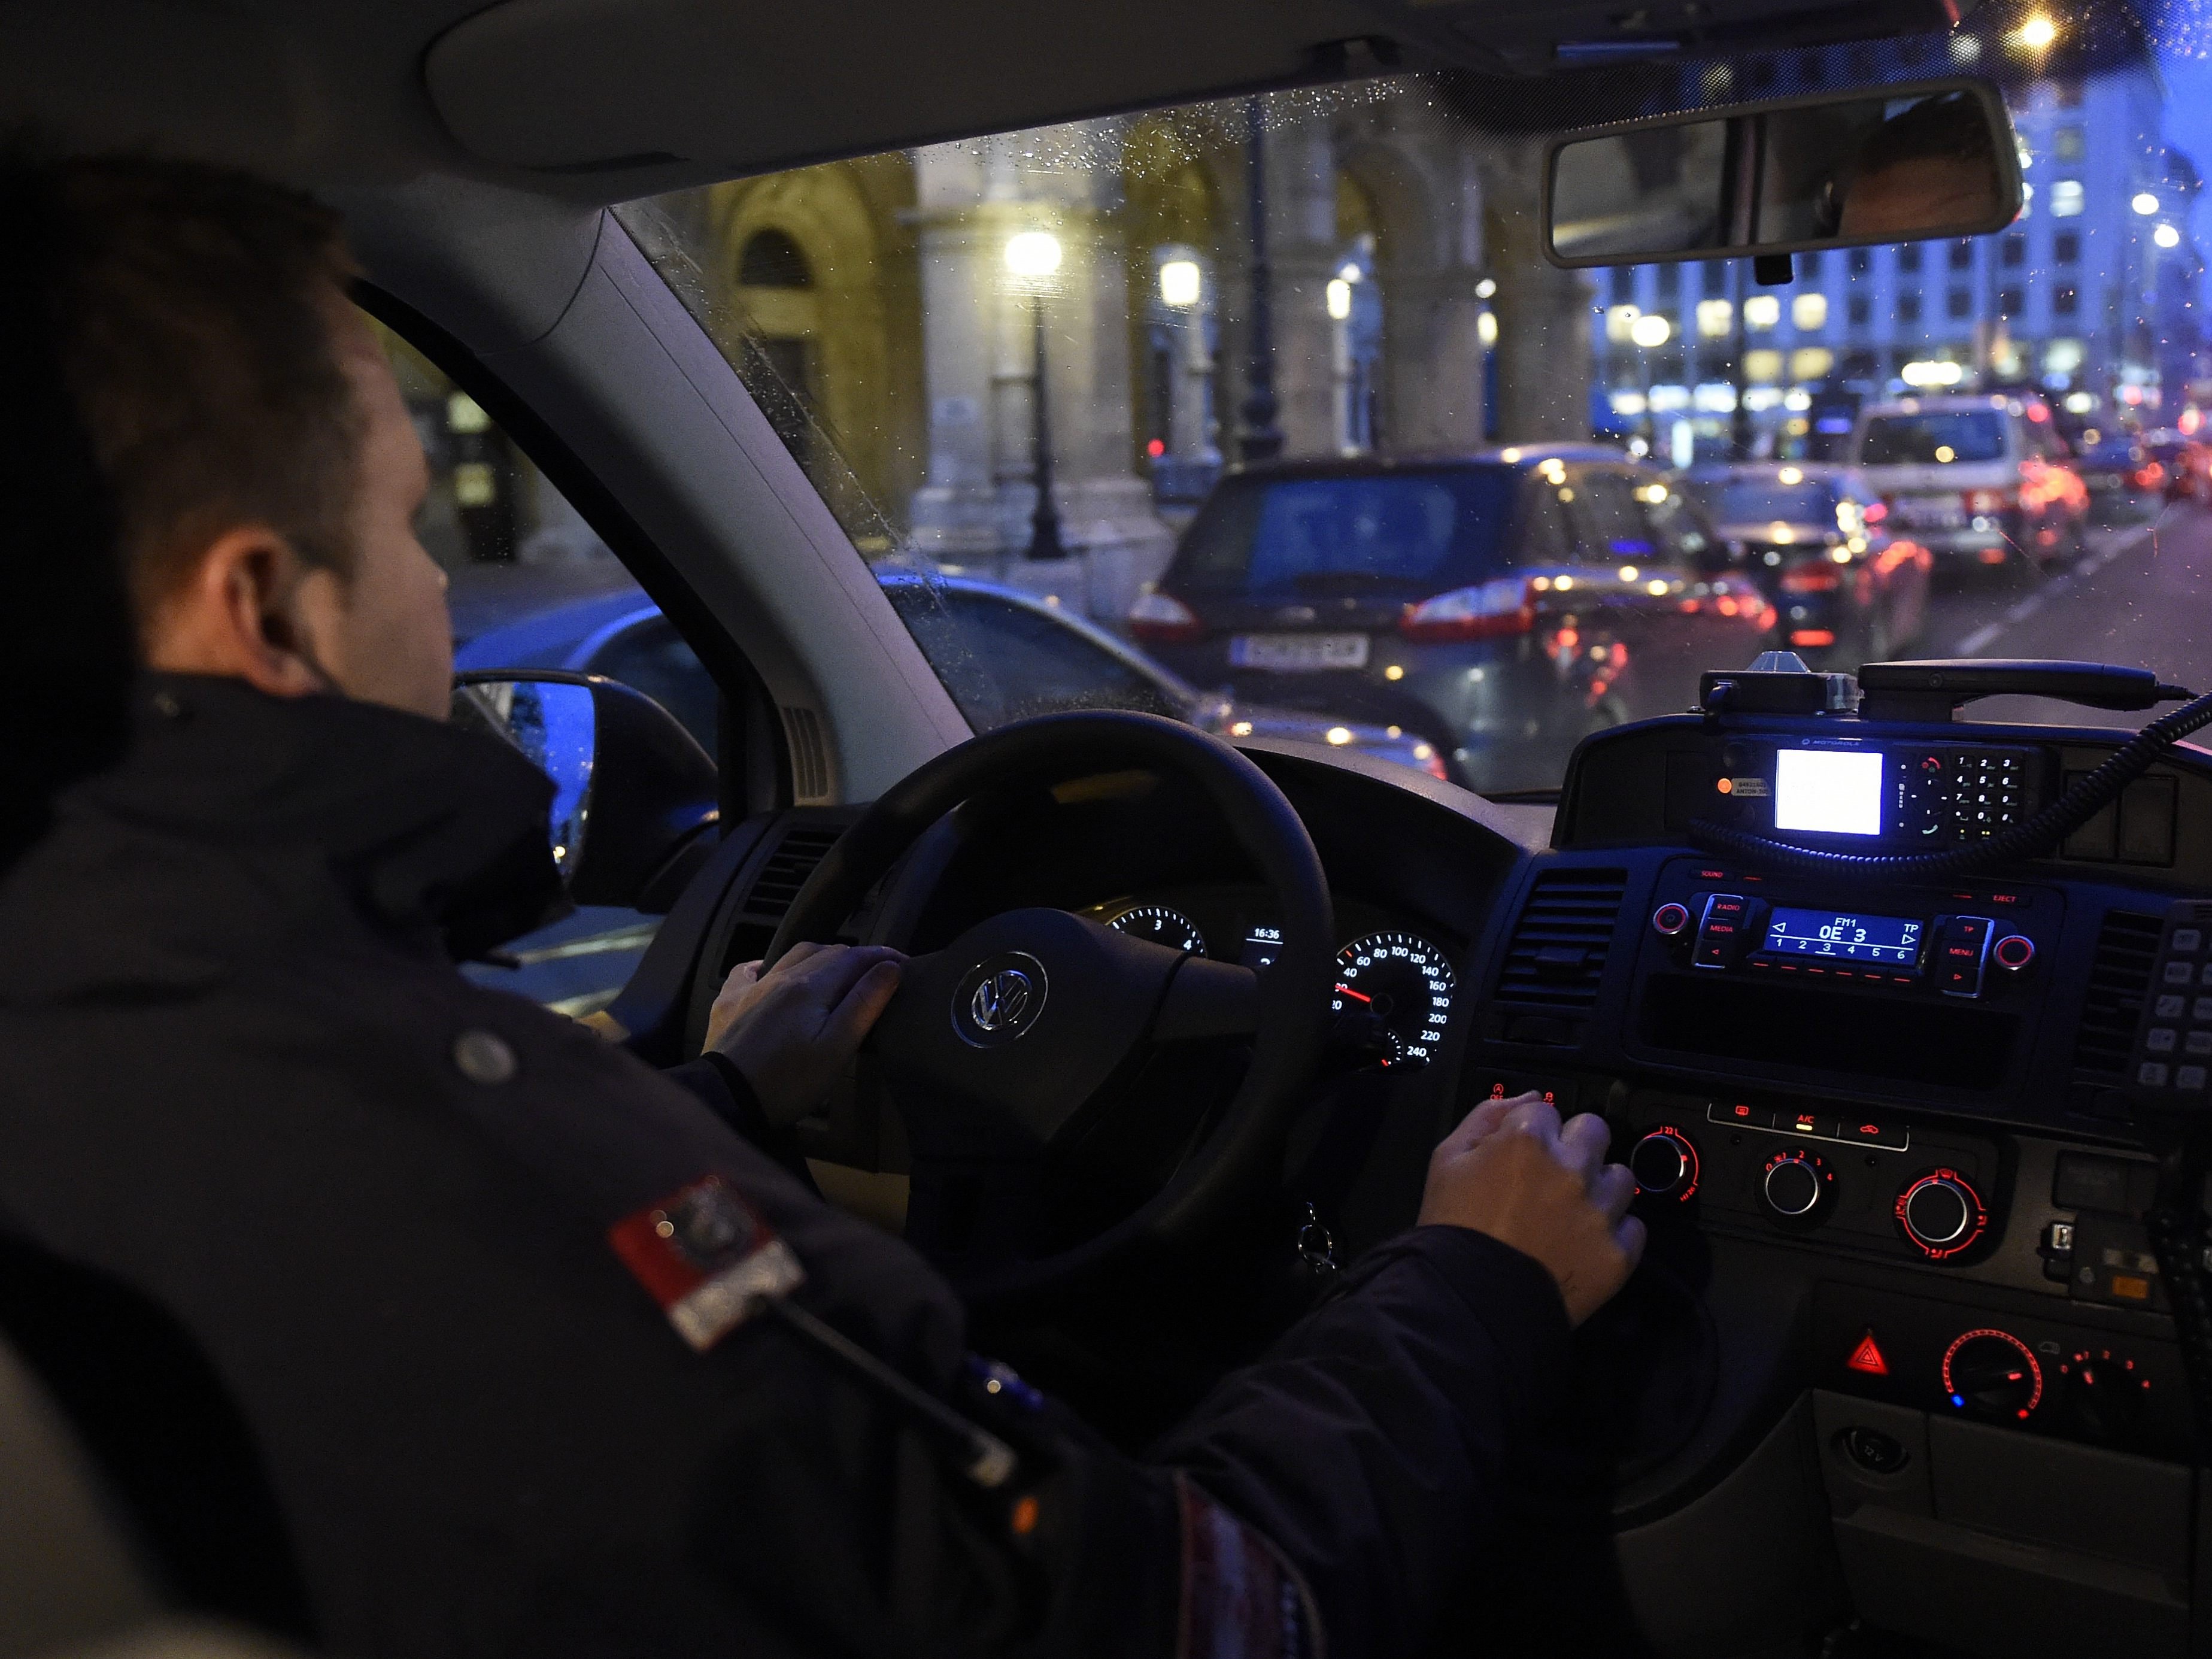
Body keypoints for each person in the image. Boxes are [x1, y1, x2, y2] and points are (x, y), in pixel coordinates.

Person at [0, 152, 1645, 1659]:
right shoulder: (444, 1154)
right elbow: (1195, 1609)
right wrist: (1472, 1283)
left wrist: (718, 1100)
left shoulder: (144, 1048)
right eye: (409, 521)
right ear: (263, 611)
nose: (439, 584)